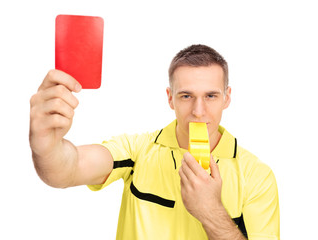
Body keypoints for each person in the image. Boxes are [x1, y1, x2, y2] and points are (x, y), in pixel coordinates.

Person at [29, 44, 280, 239]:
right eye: (186, 96)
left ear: (227, 98)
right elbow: (64, 171)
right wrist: (46, 146)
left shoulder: (257, 176)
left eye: (211, 96)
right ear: (170, 98)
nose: (199, 111)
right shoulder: (138, 151)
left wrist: (210, 212)